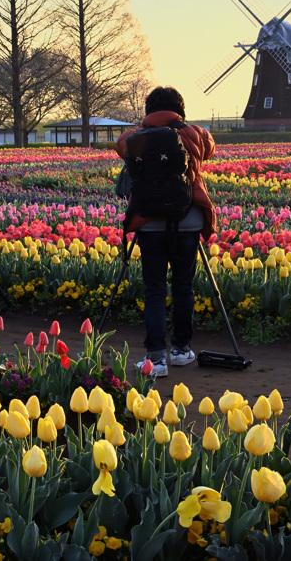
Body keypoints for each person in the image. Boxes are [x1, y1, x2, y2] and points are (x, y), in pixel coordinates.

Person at [117, 86, 215, 378]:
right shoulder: (195, 134)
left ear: (149, 111)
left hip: (149, 223)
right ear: (180, 110)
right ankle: (182, 350)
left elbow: (121, 147)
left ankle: (156, 359)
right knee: (184, 286)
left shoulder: (136, 138)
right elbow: (210, 148)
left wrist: (144, 128)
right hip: (188, 221)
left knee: (155, 290)